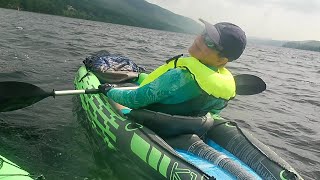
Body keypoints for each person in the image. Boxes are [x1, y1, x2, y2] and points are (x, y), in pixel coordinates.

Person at [103, 18, 247, 118]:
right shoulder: (225, 87)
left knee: (114, 97)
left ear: (221, 60)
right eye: (204, 34)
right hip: (185, 125)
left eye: (210, 42)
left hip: (152, 123)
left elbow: (134, 100)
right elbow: (214, 112)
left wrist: (109, 91)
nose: (199, 40)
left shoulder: (180, 76)